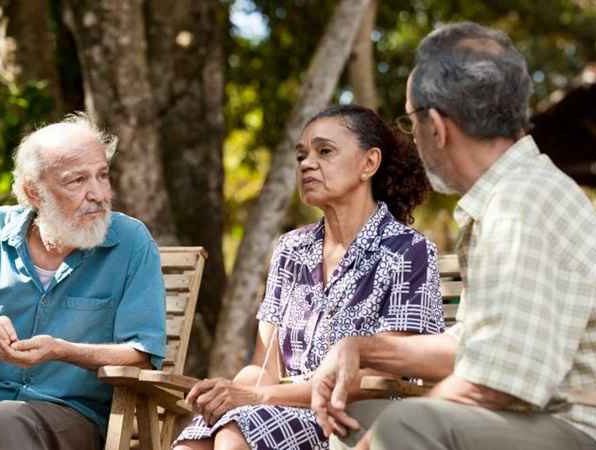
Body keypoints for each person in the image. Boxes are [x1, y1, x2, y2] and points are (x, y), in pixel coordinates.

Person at [311, 22, 596, 450]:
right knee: (358, 416)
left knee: (404, 427)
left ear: (436, 125)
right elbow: (473, 348)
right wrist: (361, 348)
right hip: (542, 416)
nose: (413, 135)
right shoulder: (505, 197)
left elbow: (496, 383)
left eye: (410, 119)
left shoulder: (521, 204)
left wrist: (384, 437)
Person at [173, 104, 445, 450]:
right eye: (301, 155)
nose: (306, 163)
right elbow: (264, 366)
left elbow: (377, 378)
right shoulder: (291, 249)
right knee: (195, 442)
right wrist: (229, 394)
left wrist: (255, 397)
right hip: (279, 406)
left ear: (369, 163)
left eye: (325, 151)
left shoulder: (409, 251)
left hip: (354, 416)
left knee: (235, 433)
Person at [0, 113, 167, 450]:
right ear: (33, 192)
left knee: (7, 420)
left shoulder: (131, 242)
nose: (98, 193)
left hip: (68, 415)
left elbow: (142, 353)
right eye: (77, 180)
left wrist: (62, 351)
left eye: (102, 175)